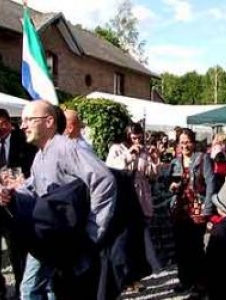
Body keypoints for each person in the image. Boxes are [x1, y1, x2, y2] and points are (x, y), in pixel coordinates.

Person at [0, 100, 117, 300]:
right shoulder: (41, 155)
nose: (22, 126)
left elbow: (104, 180)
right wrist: (11, 193)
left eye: (29, 119)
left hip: (69, 237)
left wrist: (93, 230)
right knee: (46, 288)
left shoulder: (66, 148)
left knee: (32, 289)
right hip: (51, 237)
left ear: (49, 121)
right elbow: (34, 189)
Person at [106, 122, 159, 292]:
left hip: (141, 194)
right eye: (134, 136)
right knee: (125, 237)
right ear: (127, 135)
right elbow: (111, 167)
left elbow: (151, 175)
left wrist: (155, 161)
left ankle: (136, 276)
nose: (137, 140)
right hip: (124, 193)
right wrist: (129, 155)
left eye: (139, 136)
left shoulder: (144, 151)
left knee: (139, 237)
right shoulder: (117, 149)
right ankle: (124, 277)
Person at [168, 128, 214, 297]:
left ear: (193, 143)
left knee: (195, 247)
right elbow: (167, 182)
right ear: (178, 144)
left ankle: (200, 283)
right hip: (180, 208)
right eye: (182, 142)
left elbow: (210, 185)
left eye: (187, 142)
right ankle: (185, 279)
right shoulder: (175, 161)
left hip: (197, 207)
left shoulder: (203, 159)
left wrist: (208, 209)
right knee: (181, 247)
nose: (185, 145)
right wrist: (171, 186)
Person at [0, 109, 36, 300]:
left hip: (16, 205)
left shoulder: (23, 140)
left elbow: (32, 170)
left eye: (1, 125)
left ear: (7, 123)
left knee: (17, 252)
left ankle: (23, 291)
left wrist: (17, 186)